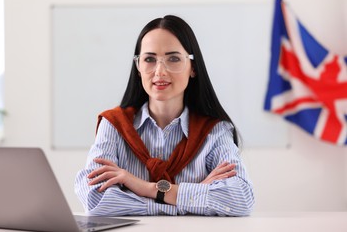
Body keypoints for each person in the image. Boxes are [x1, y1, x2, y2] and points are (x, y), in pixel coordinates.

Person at [75, 15, 254, 216]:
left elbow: (241, 198)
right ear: (138, 67)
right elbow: (94, 199)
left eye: (174, 59)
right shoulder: (114, 125)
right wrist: (187, 199)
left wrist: (146, 188)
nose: (160, 71)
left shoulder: (214, 131)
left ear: (193, 68)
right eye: (149, 59)